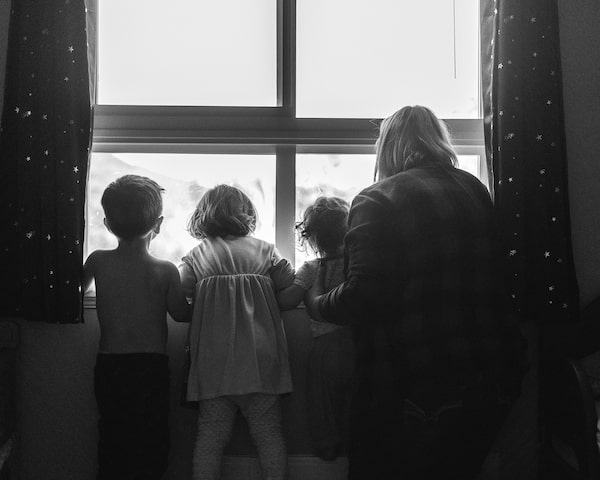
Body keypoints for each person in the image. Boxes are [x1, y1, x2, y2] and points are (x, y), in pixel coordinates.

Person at [306, 105, 527, 479]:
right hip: (491, 371)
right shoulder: (474, 189)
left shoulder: (377, 198)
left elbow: (363, 294)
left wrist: (317, 304)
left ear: (387, 147)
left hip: (412, 380)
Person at [179, 184, 295, 480]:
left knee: (210, 435)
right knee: (269, 433)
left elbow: (180, 291)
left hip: (214, 364)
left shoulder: (197, 256)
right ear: (247, 214)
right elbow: (288, 283)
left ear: (203, 217)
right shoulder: (265, 250)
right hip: (261, 360)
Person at [82, 174, 190, 480]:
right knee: (151, 438)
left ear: (107, 224)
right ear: (158, 224)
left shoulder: (98, 261)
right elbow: (181, 314)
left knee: (112, 435)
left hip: (110, 365)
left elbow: (73, 291)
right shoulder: (165, 270)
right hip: (150, 367)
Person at [278, 196, 355, 461]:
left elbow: (287, 301)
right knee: (354, 400)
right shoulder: (355, 266)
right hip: (356, 345)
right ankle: (354, 446)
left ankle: (328, 448)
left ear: (311, 239)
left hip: (325, 348)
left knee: (321, 402)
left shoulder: (311, 268)